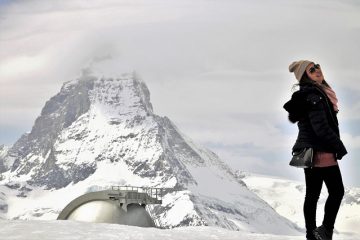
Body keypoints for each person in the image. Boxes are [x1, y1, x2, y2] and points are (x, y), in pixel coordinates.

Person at [283, 60, 347, 240]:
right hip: (320, 150)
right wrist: (338, 146)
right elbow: (321, 127)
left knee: (312, 194)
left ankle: (312, 235)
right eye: (311, 70)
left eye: (317, 66)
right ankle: (325, 231)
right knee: (336, 191)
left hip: (311, 150)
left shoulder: (316, 93)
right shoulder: (314, 95)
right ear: (305, 76)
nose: (317, 70)